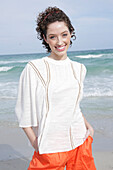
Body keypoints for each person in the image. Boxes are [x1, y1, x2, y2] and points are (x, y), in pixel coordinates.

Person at [15, 6, 96, 170]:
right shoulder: (35, 68)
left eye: (64, 35)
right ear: (45, 38)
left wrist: (89, 128)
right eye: (53, 37)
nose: (60, 42)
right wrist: (34, 141)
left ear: (71, 32)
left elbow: (73, 105)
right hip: (50, 148)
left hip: (81, 142)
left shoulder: (79, 68)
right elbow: (23, 110)